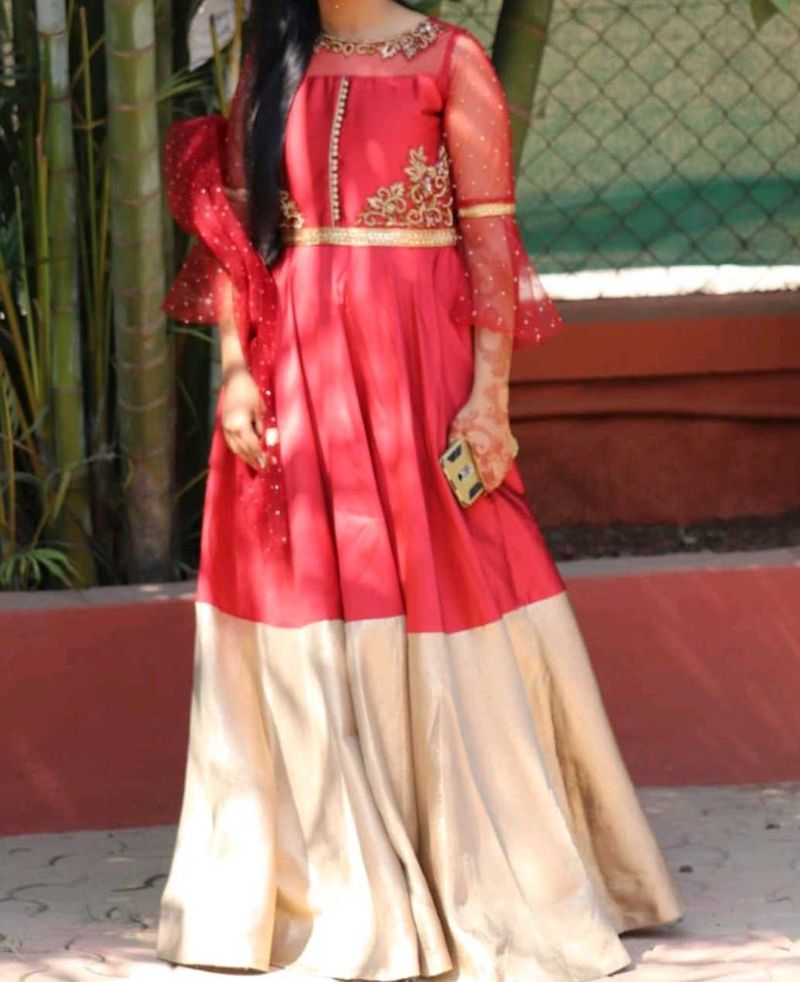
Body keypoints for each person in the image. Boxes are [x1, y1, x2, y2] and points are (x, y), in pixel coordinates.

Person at [155, 1, 684, 979]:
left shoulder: (454, 60)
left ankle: (485, 873)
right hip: (292, 376)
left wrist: (489, 398)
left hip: (417, 372)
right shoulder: (269, 57)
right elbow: (236, 238)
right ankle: (331, 886)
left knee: (452, 580)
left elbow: (488, 240)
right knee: (305, 587)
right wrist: (233, 370)